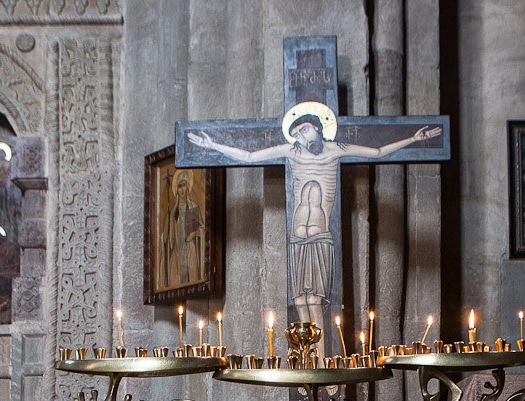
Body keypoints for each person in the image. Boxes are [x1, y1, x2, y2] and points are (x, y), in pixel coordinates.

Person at [188, 102, 440, 337]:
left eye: (304, 130)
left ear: (318, 128)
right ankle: (306, 357)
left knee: (314, 300)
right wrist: (213, 146)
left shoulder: (336, 149)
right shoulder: (292, 151)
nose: (301, 136)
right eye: (296, 134)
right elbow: (250, 156)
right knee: (300, 300)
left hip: (320, 234)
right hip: (298, 237)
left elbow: (378, 151)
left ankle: (320, 361)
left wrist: (413, 139)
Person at [161, 170, 204, 290]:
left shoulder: (193, 207)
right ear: (176, 189)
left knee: (193, 285)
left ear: (188, 186)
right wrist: (166, 235)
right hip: (176, 255)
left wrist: (195, 233)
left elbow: (203, 228)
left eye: (184, 185)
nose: (182, 190)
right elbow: (165, 238)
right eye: (179, 186)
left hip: (190, 252)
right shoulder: (172, 213)